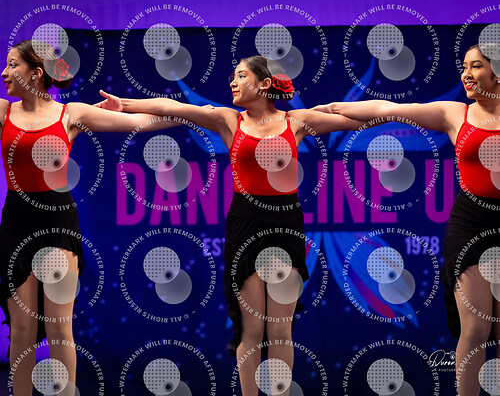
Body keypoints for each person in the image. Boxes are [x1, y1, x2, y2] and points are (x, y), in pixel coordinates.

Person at [97, 55, 366, 396]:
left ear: (264, 84)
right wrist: (125, 104)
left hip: (285, 224)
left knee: (280, 330)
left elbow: (354, 120)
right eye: (233, 76)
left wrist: (388, 111)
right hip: (245, 224)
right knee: (251, 330)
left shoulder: (296, 121)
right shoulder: (228, 120)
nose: (233, 83)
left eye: (240, 76)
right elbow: (174, 107)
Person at [313, 44, 500, 396]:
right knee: (476, 330)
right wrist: (333, 109)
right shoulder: (455, 113)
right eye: (464, 66)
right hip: (472, 225)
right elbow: (390, 110)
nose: (466, 74)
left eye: (476, 66)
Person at [0, 40, 183, 395]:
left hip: (57, 222)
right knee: (22, 330)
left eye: (12, 65)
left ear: (35, 73)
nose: (4, 73)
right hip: (16, 221)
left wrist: (192, 115)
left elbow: (139, 123)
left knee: (59, 327)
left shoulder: (71, 113)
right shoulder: (4, 112)